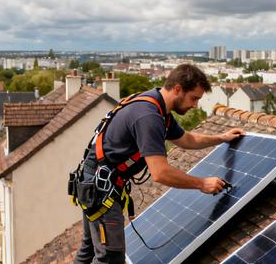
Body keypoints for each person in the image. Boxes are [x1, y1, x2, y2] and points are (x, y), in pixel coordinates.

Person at [71, 64, 245, 263]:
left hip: (93, 183)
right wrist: (202, 184)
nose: (195, 105)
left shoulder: (157, 106)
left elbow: (186, 139)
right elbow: (160, 173)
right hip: (101, 189)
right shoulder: (149, 116)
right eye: (194, 98)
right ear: (178, 89)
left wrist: (222, 137)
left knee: (90, 250)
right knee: (110, 256)